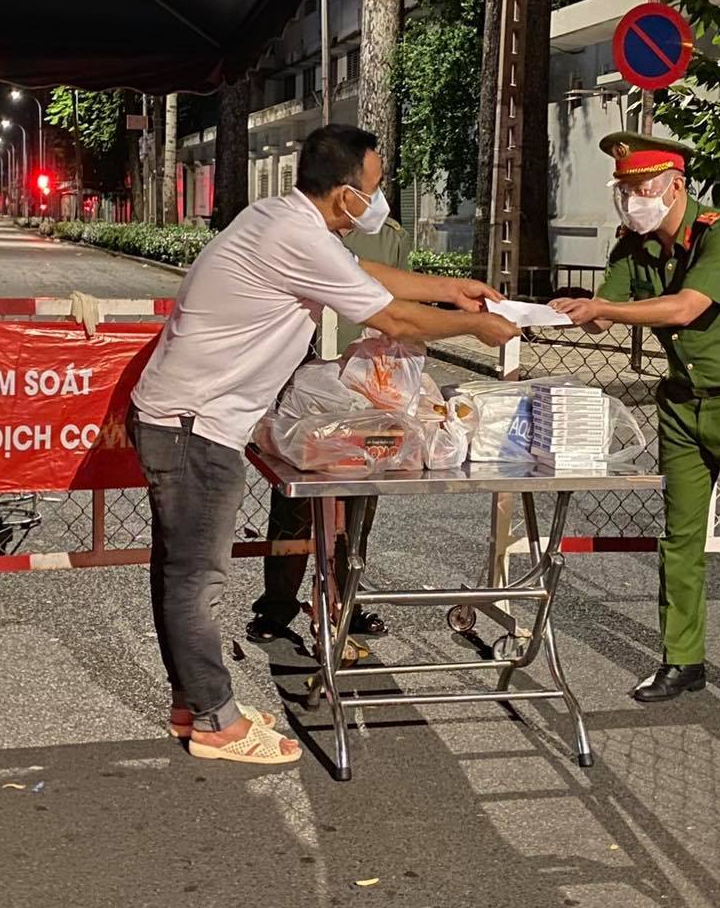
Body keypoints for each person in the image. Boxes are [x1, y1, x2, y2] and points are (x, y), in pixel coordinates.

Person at [129, 124, 517, 766]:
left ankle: (192, 700)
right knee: (196, 578)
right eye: (374, 188)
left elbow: (363, 273)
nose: (379, 198)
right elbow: (390, 317)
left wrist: (449, 288)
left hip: (186, 419)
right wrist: (475, 324)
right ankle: (216, 722)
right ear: (345, 197)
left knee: (182, 571)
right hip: (196, 425)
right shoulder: (296, 235)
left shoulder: (283, 219)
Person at [551, 132, 720, 721]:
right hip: (683, 404)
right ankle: (682, 659)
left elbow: (686, 307)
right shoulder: (632, 250)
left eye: (643, 188)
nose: (633, 200)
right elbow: (603, 314)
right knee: (680, 538)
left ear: (676, 184)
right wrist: (556, 310)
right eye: (624, 190)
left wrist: (603, 309)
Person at [246, 213, 418, 651]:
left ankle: (346, 602)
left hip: (366, 388)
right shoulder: (300, 229)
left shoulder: (389, 236)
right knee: (295, 502)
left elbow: (398, 298)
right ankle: (277, 605)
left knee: (360, 502)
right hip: (307, 383)